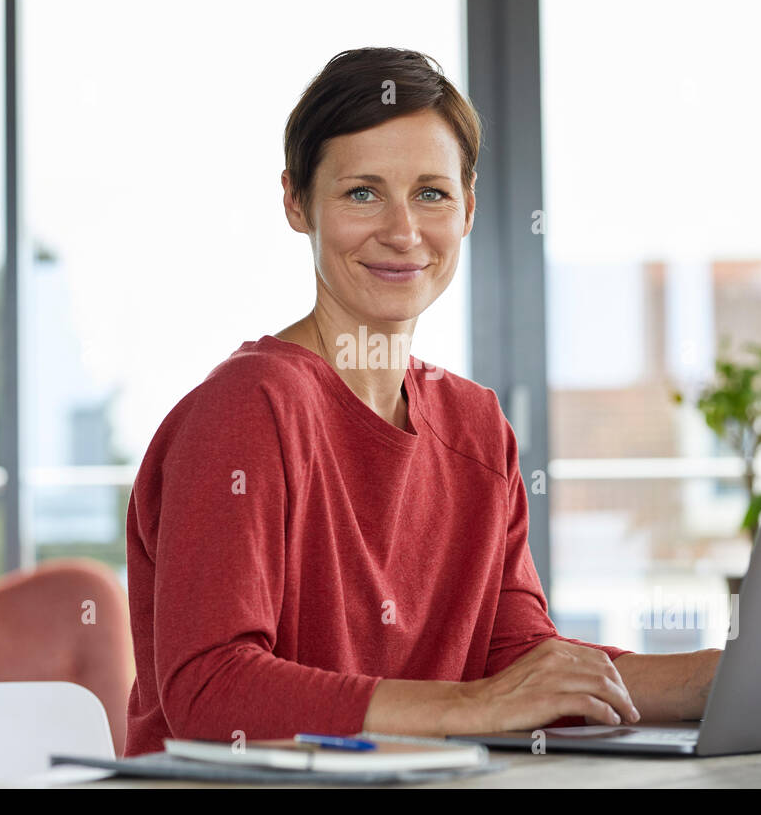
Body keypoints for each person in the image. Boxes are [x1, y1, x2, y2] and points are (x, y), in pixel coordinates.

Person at [124, 47, 720, 754]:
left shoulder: (475, 425)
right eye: (362, 193)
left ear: (467, 208)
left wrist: (716, 679)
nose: (403, 231)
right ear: (295, 201)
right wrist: (472, 706)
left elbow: (517, 664)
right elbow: (212, 691)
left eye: (431, 194)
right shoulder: (246, 410)